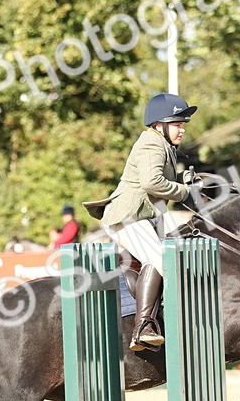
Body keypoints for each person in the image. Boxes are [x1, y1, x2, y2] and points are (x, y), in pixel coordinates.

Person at [84, 92, 198, 351]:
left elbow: (158, 183)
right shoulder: (151, 143)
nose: (182, 130)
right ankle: (143, 327)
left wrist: (185, 182)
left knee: (168, 257)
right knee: (160, 260)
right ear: (160, 125)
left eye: (182, 125)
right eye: (177, 124)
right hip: (129, 215)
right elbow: (151, 182)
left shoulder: (164, 146)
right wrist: (184, 192)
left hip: (144, 215)